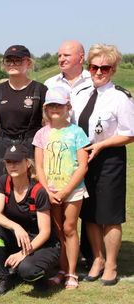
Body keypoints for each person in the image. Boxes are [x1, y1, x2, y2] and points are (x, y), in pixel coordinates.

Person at [71, 44, 134, 286]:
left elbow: (130, 133)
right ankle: (96, 259)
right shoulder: (81, 93)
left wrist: (103, 145)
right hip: (84, 158)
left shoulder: (120, 97)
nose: (98, 71)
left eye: (104, 67)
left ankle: (111, 264)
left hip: (109, 159)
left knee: (109, 215)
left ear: (113, 69)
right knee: (89, 214)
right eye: (94, 66)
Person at [44, 40, 94, 270]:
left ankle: (81, 262)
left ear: (80, 57)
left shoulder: (93, 81)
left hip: (79, 156)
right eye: (59, 55)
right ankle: (62, 265)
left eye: (66, 55)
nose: (61, 59)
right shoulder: (50, 82)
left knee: (73, 224)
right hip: (54, 171)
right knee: (58, 227)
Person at [0, 144, 60, 295]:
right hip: (18, 237)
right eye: (9, 162)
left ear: (27, 163)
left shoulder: (38, 191)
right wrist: (15, 227)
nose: (12, 166)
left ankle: (37, 277)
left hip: (41, 243)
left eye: (17, 161)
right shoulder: (3, 181)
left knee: (27, 270)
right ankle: (5, 276)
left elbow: (45, 232)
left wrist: (23, 254)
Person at [33, 87, 89, 289]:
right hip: (51, 190)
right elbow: (38, 165)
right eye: (51, 105)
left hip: (73, 190)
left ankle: (72, 273)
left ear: (68, 107)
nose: (55, 109)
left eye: (59, 105)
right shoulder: (41, 134)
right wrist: (47, 190)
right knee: (57, 230)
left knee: (69, 228)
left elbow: (83, 165)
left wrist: (66, 191)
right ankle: (62, 270)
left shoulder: (77, 132)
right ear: (46, 109)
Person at [0, 45, 47, 185]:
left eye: (17, 60)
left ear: (28, 63)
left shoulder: (40, 90)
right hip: (2, 148)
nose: (12, 64)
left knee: (31, 190)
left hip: (29, 148)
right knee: (2, 190)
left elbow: (48, 126)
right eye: (9, 60)